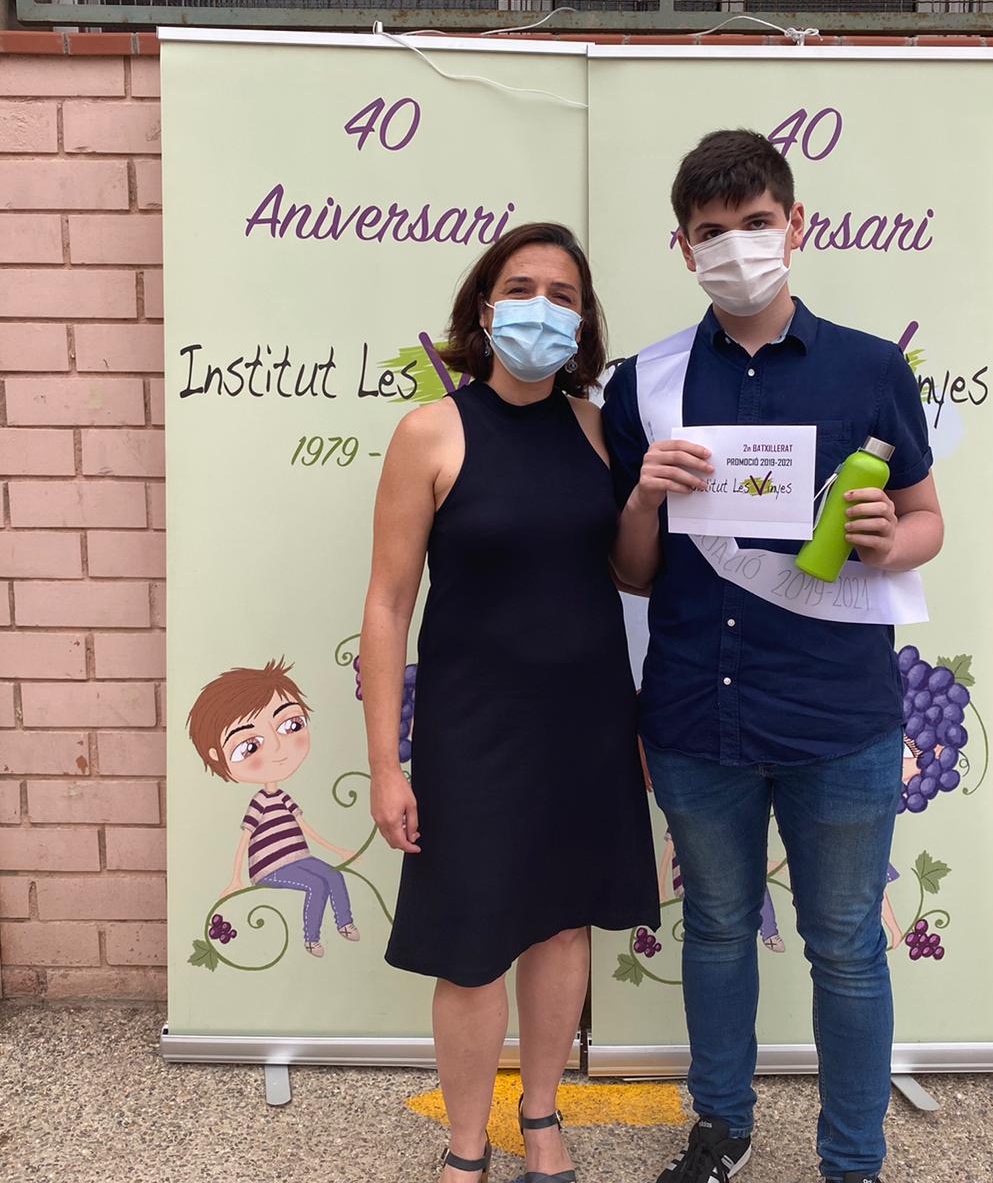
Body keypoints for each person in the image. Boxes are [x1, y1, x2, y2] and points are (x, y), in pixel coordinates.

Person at [603, 130, 945, 1183]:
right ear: (683, 247)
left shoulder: (871, 368)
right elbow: (632, 573)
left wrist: (892, 537)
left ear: (795, 225)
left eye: (756, 223)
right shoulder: (645, 383)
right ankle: (723, 1129)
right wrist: (643, 498)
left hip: (837, 715)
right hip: (695, 711)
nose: (737, 247)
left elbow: (928, 520)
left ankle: (853, 1161)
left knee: (845, 942)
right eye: (712, 232)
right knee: (713, 928)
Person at [362, 222, 660, 1183]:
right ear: (485, 311)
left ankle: (541, 1120)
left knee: (563, 925)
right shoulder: (430, 432)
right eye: (522, 288)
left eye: (563, 295)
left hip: (587, 723)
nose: (542, 307)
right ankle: (465, 1144)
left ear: (583, 321)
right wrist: (385, 763)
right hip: (473, 730)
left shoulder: (599, 431)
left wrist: (645, 501)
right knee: (472, 946)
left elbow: (632, 573)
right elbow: (387, 605)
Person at [188, 659, 359, 959]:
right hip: (271, 868)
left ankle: (344, 923)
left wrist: (338, 851)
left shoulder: (283, 797)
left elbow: (305, 829)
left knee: (334, 875)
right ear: (217, 755)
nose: (278, 749)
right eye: (249, 747)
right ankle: (312, 939)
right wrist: (236, 878)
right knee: (316, 885)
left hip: (299, 858)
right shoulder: (259, 802)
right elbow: (245, 839)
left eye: (292, 725)